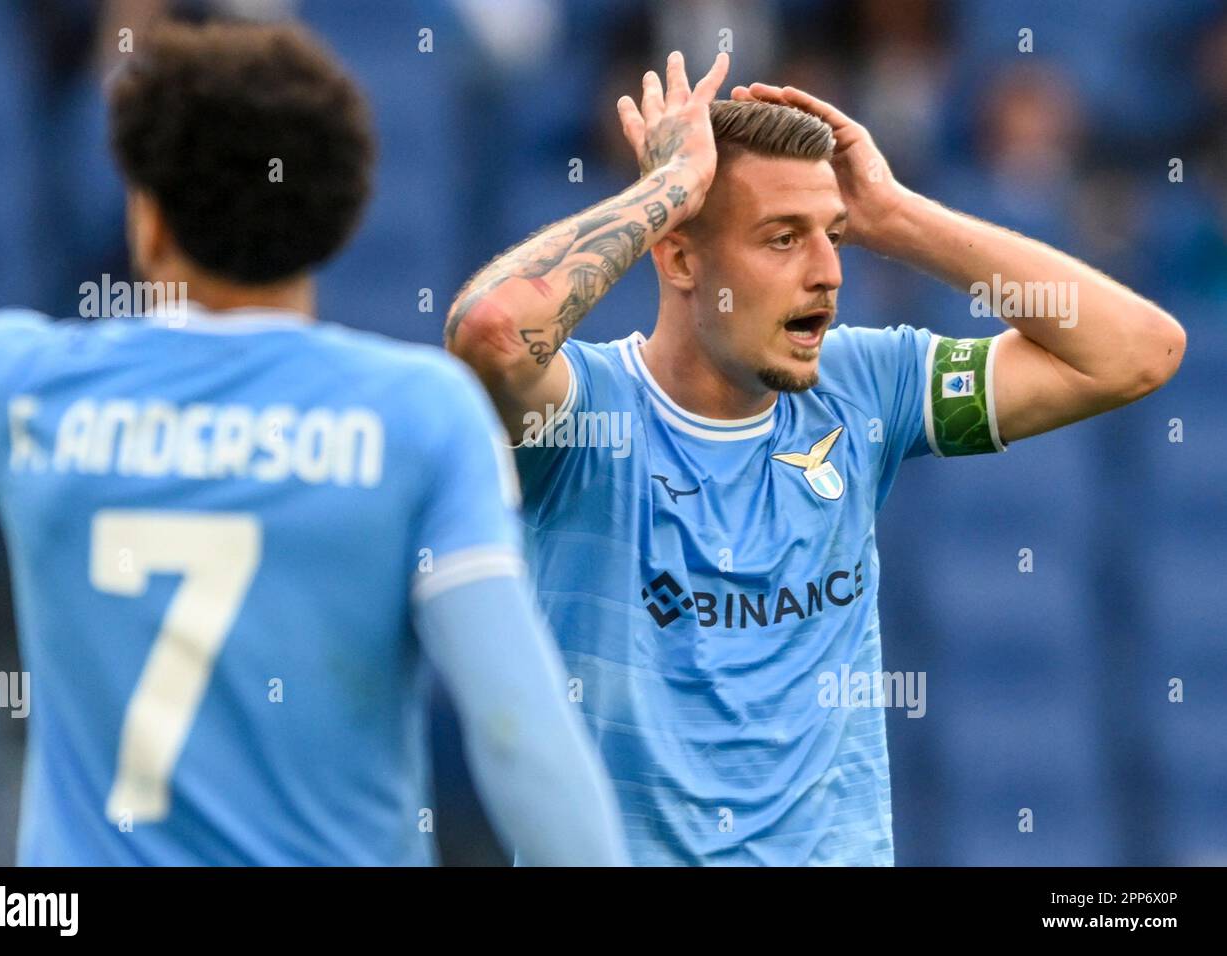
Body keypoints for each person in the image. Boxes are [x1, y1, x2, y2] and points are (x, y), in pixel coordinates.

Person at [445, 51, 1185, 865]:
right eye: (782, 238)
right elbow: (492, 333)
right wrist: (665, 192)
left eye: (833, 236)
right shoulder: (584, 416)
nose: (829, 274)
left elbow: (1135, 353)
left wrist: (897, 217)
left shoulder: (866, 387)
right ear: (682, 256)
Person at [0, 20, 626, 867]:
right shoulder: (421, 415)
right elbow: (518, 731)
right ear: (337, 220)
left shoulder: (34, 388)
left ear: (146, 222)